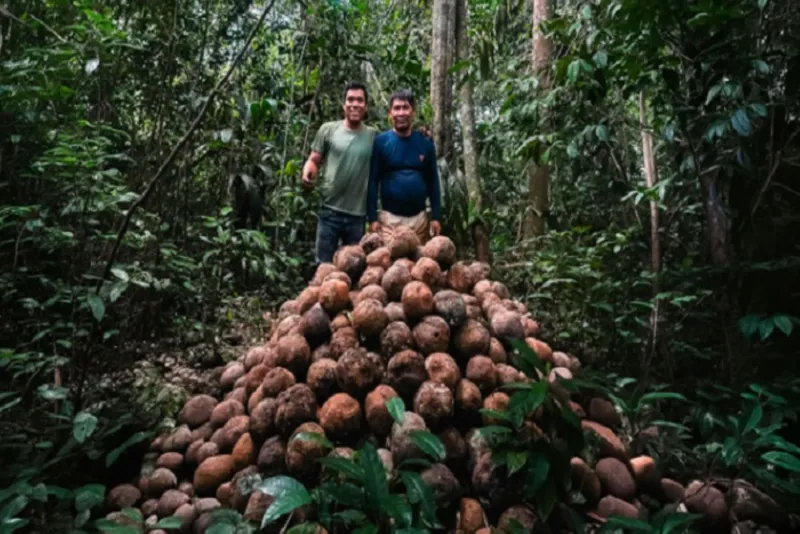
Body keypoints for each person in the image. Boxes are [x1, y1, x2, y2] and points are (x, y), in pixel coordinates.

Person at [302, 81, 379, 263]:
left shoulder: (374, 136)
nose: (354, 104)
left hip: (357, 216)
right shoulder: (328, 130)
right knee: (323, 266)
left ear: (365, 106)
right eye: (350, 99)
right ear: (343, 104)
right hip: (329, 212)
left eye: (359, 100)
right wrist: (308, 172)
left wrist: (422, 135)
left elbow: (396, 143)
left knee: (353, 270)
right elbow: (314, 159)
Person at [367, 89, 442, 245]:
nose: (401, 113)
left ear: (413, 112)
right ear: (390, 113)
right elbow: (373, 181)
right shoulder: (381, 142)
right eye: (397, 108)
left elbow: (433, 182)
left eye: (405, 107)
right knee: (390, 266)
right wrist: (372, 218)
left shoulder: (425, 144)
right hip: (390, 222)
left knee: (420, 267)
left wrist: (436, 217)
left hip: (419, 221)